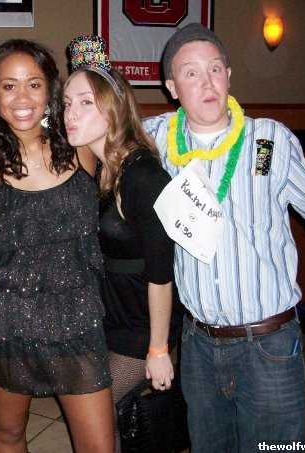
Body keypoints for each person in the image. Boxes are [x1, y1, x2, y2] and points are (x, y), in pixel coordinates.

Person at [142, 23, 305, 452]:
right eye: (191, 73)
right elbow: (98, 126)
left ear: (229, 75)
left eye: (215, 69)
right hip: (198, 345)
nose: (207, 82)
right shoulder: (157, 139)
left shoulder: (268, 141)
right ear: (172, 88)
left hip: (269, 346)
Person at [0, 39, 114, 453]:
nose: (22, 98)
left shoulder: (80, 144)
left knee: (99, 445)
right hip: (5, 319)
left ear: (50, 90)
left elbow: (124, 124)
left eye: (34, 84)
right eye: (9, 86)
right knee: (9, 433)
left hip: (77, 317)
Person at [63, 35, 175, 451]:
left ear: (113, 109)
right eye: (67, 103)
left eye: (85, 102)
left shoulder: (143, 176)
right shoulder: (102, 167)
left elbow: (162, 272)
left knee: (93, 404)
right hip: (108, 315)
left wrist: (158, 348)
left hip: (141, 325)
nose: (70, 113)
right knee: (98, 415)